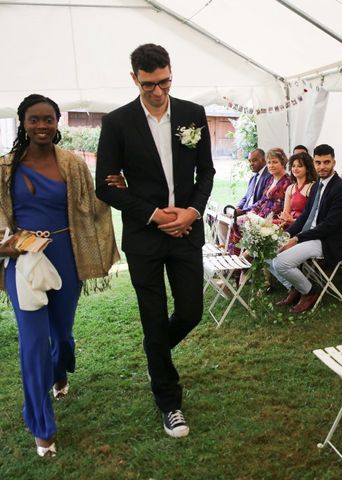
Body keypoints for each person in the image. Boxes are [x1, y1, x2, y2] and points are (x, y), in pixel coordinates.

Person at [95, 44, 215, 438]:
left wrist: (190, 213)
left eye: (164, 81)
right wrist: (153, 213)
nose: (159, 91)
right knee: (152, 314)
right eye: (150, 85)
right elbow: (105, 186)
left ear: (170, 73)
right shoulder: (117, 123)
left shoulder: (193, 115)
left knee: (192, 310)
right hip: (144, 237)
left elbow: (207, 173)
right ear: (135, 79)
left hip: (186, 232)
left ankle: (155, 353)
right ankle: (169, 402)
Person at [0, 94, 119, 456]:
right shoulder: (5, 167)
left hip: (67, 256)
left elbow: (93, 204)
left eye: (48, 119)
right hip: (23, 261)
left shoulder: (72, 164)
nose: (42, 126)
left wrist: (114, 189)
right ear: (22, 122)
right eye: (34, 119)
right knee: (33, 343)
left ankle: (61, 370)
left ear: (57, 122)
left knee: (62, 337)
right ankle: (42, 428)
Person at [269, 144, 342, 313]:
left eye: (327, 162)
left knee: (281, 263)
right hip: (309, 235)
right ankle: (295, 287)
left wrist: (297, 239)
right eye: (319, 162)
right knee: (268, 251)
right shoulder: (317, 186)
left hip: (325, 241)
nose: (322, 167)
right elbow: (306, 215)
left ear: (334, 162)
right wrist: (287, 234)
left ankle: (309, 291)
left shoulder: (341, 188)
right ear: (313, 163)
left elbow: (329, 226)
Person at [249, 148, 291, 218]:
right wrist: (253, 211)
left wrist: (257, 217)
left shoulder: (287, 182)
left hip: (273, 220)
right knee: (236, 222)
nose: (271, 165)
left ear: (283, 163)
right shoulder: (270, 179)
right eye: (269, 162)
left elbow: (279, 207)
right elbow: (263, 200)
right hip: (260, 216)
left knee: (239, 224)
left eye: (275, 162)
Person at [278, 152, 316, 226]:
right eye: (293, 166)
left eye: (299, 166)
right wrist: (285, 219)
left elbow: (312, 215)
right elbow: (285, 212)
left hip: (304, 225)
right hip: (289, 223)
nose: (295, 169)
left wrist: (294, 221)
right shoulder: (290, 188)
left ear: (307, 169)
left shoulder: (313, 186)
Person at [236, 149, 272, 215]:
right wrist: (237, 207)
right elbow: (246, 197)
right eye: (250, 161)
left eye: (255, 160)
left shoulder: (269, 176)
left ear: (264, 160)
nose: (251, 164)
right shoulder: (253, 177)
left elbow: (262, 201)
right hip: (244, 212)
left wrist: (243, 211)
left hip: (255, 213)